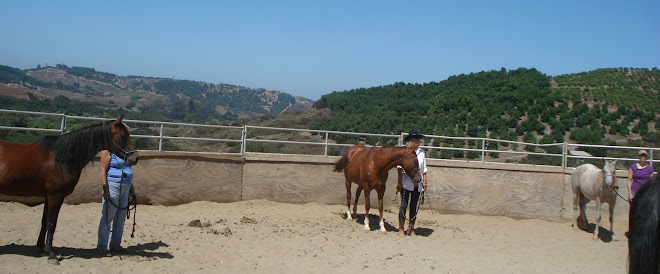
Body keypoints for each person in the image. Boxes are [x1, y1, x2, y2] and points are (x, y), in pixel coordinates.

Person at [97, 149, 135, 255]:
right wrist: (105, 188)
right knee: (108, 216)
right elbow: (102, 170)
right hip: (113, 184)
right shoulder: (108, 151)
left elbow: (127, 168)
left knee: (120, 217)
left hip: (126, 185)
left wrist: (131, 185)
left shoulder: (125, 152)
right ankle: (102, 246)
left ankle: (115, 244)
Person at [397, 130, 428, 237]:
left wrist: (424, 180)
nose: (417, 141)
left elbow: (424, 168)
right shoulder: (405, 152)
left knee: (413, 206)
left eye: (418, 139)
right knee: (404, 205)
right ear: (410, 141)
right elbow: (399, 168)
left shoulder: (421, 152)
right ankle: (401, 228)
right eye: (415, 139)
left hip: (417, 183)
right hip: (406, 182)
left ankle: (411, 228)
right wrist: (399, 182)